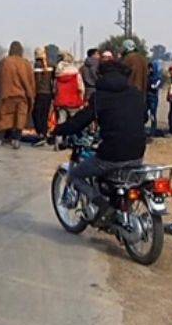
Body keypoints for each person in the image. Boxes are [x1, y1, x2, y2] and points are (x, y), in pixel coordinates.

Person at [52, 59, 147, 218]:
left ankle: (101, 204)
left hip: (112, 155)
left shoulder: (100, 97)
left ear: (100, 76)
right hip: (137, 153)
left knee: (75, 174)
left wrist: (57, 130)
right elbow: (143, 118)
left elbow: (79, 122)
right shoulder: (136, 94)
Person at [0, 41, 35, 149]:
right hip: (22, 96)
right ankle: (16, 140)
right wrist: (31, 94)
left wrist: (1, 90)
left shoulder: (5, 62)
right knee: (20, 119)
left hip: (6, 95)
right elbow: (31, 81)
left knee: (4, 117)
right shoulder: (26, 63)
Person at [31, 48, 55, 141]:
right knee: (45, 114)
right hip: (48, 93)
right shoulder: (51, 64)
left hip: (39, 93)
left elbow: (37, 80)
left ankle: (40, 132)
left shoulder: (37, 64)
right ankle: (44, 133)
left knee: (36, 113)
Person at [53, 60, 85, 125]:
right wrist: (81, 98)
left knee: (61, 120)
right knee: (75, 121)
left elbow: (54, 90)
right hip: (74, 101)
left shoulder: (58, 76)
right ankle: (74, 134)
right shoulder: (76, 75)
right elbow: (81, 88)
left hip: (61, 101)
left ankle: (60, 134)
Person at [145, 60, 162, 134]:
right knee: (143, 112)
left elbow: (154, 86)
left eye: (151, 67)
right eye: (149, 68)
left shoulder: (158, 78)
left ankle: (153, 129)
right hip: (146, 97)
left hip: (153, 98)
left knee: (153, 114)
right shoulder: (147, 77)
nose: (150, 69)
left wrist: (149, 86)